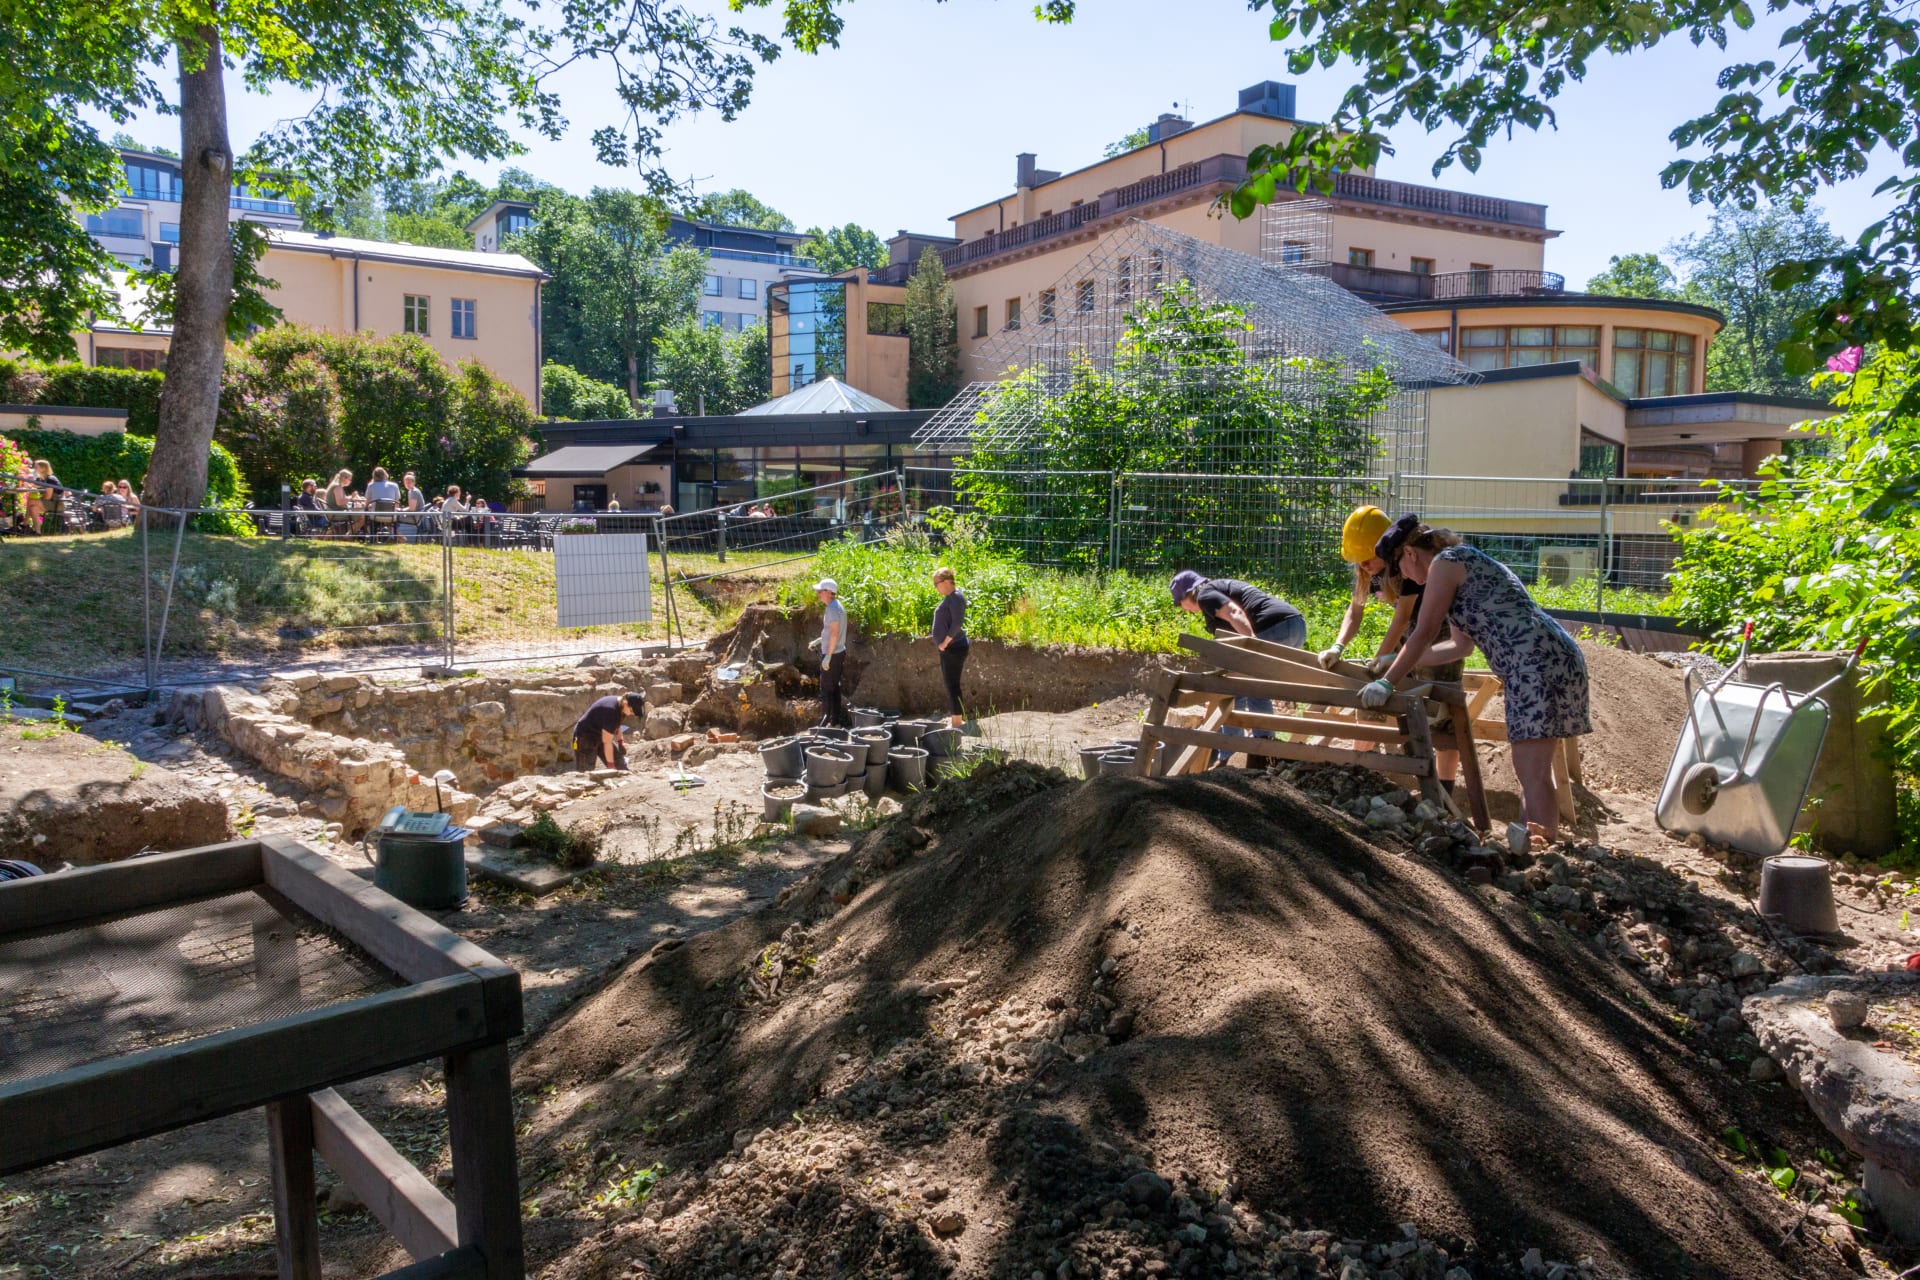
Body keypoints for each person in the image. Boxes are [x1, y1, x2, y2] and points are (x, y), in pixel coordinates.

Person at [1361, 525, 1591, 843]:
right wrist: (1396, 659)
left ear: (1410, 553)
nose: (1407, 578)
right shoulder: (1459, 562)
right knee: (1532, 768)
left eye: (1400, 568)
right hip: (1546, 659)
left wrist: (1387, 683)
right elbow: (1459, 647)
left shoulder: (1444, 564)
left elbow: (1425, 631)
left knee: (1531, 770)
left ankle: (1541, 847)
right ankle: (1534, 844)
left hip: (1535, 662)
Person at [1322, 507, 1463, 786]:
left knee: (1442, 713)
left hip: (1440, 633)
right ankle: (1358, 771)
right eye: (1358, 560)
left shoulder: (1405, 566)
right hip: (1410, 634)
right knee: (1369, 699)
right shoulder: (1367, 571)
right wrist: (1338, 646)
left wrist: (1382, 658)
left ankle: (1445, 791)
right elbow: (1355, 611)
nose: (1363, 564)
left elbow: (1403, 618)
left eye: (1367, 558)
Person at [1171, 570, 1307, 759]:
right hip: (1295, 626)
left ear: (1188, 594)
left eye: (1179, 603)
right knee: (1253, 688)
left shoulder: (1205, 595)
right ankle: (1262, 752)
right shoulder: (1218, 590)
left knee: (1237, 689)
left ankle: (1234, 755)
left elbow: (1235, 613)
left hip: (1273, 628)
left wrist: (1253, 647)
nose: (1183, 609)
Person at [930, 566, 969, 729]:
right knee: (951, 684)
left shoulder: (956, 597)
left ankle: (957, 722)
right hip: (951, 648)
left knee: (952, 685)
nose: (935, 587)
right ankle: (956, 718)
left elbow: (957, 623)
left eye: (936, 584)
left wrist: (945, 643)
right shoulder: (952, 597)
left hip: (953, 648)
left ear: (946, 582)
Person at [811, 577, 851, 727]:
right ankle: (834, 722)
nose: (818, 593)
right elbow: (832, 632)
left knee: (827, 689)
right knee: (834, 688)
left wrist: (827, 656)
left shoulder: (832, 609)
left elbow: (834, 633)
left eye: (820, 591)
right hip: (838, 652)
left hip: (833, 654)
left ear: (828, 592)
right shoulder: (837, 606)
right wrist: (819, 640)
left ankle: (825, 724)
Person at [572, 691, 645, 771]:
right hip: (584, 737)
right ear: (625, 703)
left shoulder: (621, 707)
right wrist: (611, 765)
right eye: (631, 711)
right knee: (586, 772)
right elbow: (607, 742)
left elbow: (617, 724)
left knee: (619, 765)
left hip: (599, 734)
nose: (632, 714)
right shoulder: (611, 710)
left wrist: (620, 742)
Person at [399, 471, 425, 542]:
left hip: (414, 517)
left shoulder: (413, 492)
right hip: (415, 516)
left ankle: (400, 539)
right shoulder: (412, 491)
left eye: (409, 482)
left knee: (393, 518)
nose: (407, 484)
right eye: (405, 482)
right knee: (394, 516)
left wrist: (401, 510)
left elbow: (412, 509)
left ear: (414, 482)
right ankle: (399, 538)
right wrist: (401, 510)